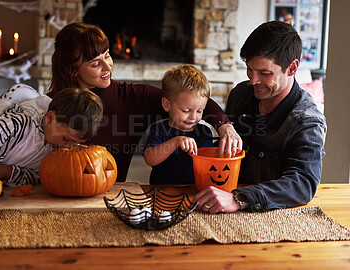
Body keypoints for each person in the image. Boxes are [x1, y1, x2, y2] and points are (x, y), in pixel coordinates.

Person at [46, 22, 242, 182]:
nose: (107, 66)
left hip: (110, 194)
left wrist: (224, 125)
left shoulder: (132, 98)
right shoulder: (51, 105)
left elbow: (193, 101)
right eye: (96, 63)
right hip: (58, 187)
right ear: (73, 69)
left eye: (107, 56)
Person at [194, 21, 327, 213]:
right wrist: (224, 125)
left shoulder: (307, 121)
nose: (253, 80)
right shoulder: (240, 94)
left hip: (274, 220)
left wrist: (238, 199)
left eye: (264, 73)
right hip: (221, 209)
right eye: (250, 69)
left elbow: (303, 184)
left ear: (292, 68)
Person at [0, 86, 103, 186]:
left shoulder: (58, 147)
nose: (68, 147)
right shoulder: (16, 124)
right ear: (50, 118)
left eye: (74, 143)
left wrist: (8, 171)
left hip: (6, 195)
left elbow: (39, 177)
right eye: (65, 139)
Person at [144, 64, 215, 184]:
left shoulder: (204, 132)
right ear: (167, 105)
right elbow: (150, 159)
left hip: (195, 191)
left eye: (199, 111)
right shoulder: (159, 129)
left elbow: (210, 165)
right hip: (161, 191)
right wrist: (176, 141)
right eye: (186, 111)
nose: (193, 117)